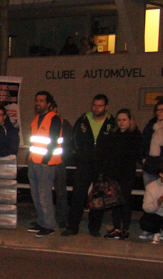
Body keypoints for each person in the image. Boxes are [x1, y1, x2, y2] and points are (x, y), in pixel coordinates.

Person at [62, 94, 116, 237]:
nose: (96, 108)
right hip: (84, 164)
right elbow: (73, 139)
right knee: (77, 196)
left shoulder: (112, 123)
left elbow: (115, 144)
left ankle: (94, 229)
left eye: (100, 105)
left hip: (102, 166)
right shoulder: (83, 120)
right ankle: (72, 227)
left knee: (98, 198)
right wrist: (79, 154)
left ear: (106, 107)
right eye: (94, 105)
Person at [99, 109, 143, 240]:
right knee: (114, 201)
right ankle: (116, 227)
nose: (121, 123)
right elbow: (108, 155)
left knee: (125, 201)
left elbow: (133, 155)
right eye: (119, 120)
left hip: (126, 174)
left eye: (124, 120)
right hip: (113, 174)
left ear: (130, 120)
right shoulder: (114, 135)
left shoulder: (135, 135)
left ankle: (125, 228)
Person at [27, 91, 64, 237]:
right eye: (36, 100)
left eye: (41, 100)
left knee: (44, 195)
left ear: (48, 103)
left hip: (45, 164)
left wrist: (45, 160)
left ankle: (49, 225)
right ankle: (42, 222)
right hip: (34, 161)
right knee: (36, 194)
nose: (38, 103)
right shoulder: (36, 119)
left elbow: (53, 141)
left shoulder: (54, 118)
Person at [48, 100, 73, 229]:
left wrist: (63, 158)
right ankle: (47, 219)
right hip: (45, 162)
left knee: (61, 192)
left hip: (58, 162)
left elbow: (68, 144)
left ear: (56, 109)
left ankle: (62, 218)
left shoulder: (64, 124)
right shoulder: (43, 122)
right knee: (45, 193)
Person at [139, 162, 163, 245]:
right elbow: (146, 207)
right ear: (161, 174)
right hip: (158, 215)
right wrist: (158, 202)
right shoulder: (151, 187)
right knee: (145, 220)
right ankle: (157, 232)